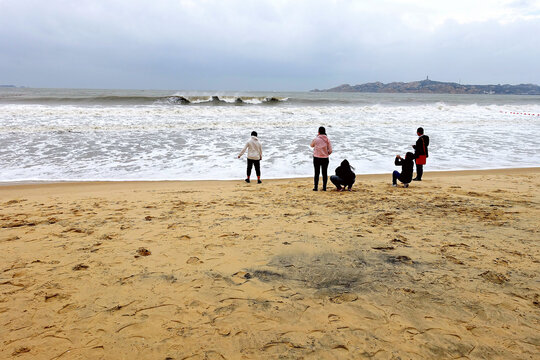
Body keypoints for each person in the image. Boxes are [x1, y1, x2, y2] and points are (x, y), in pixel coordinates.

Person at [310, 126, 332, 191]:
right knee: (324, 173)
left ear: (318, 132)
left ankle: (315, 187)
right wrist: (326, 154)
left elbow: (311, 145)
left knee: (316, 173)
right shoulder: (327, 139)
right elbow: (330, 150)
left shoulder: (316, 139)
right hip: (325, 158)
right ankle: (324, 187)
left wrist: (317, 136)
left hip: (316, 158)